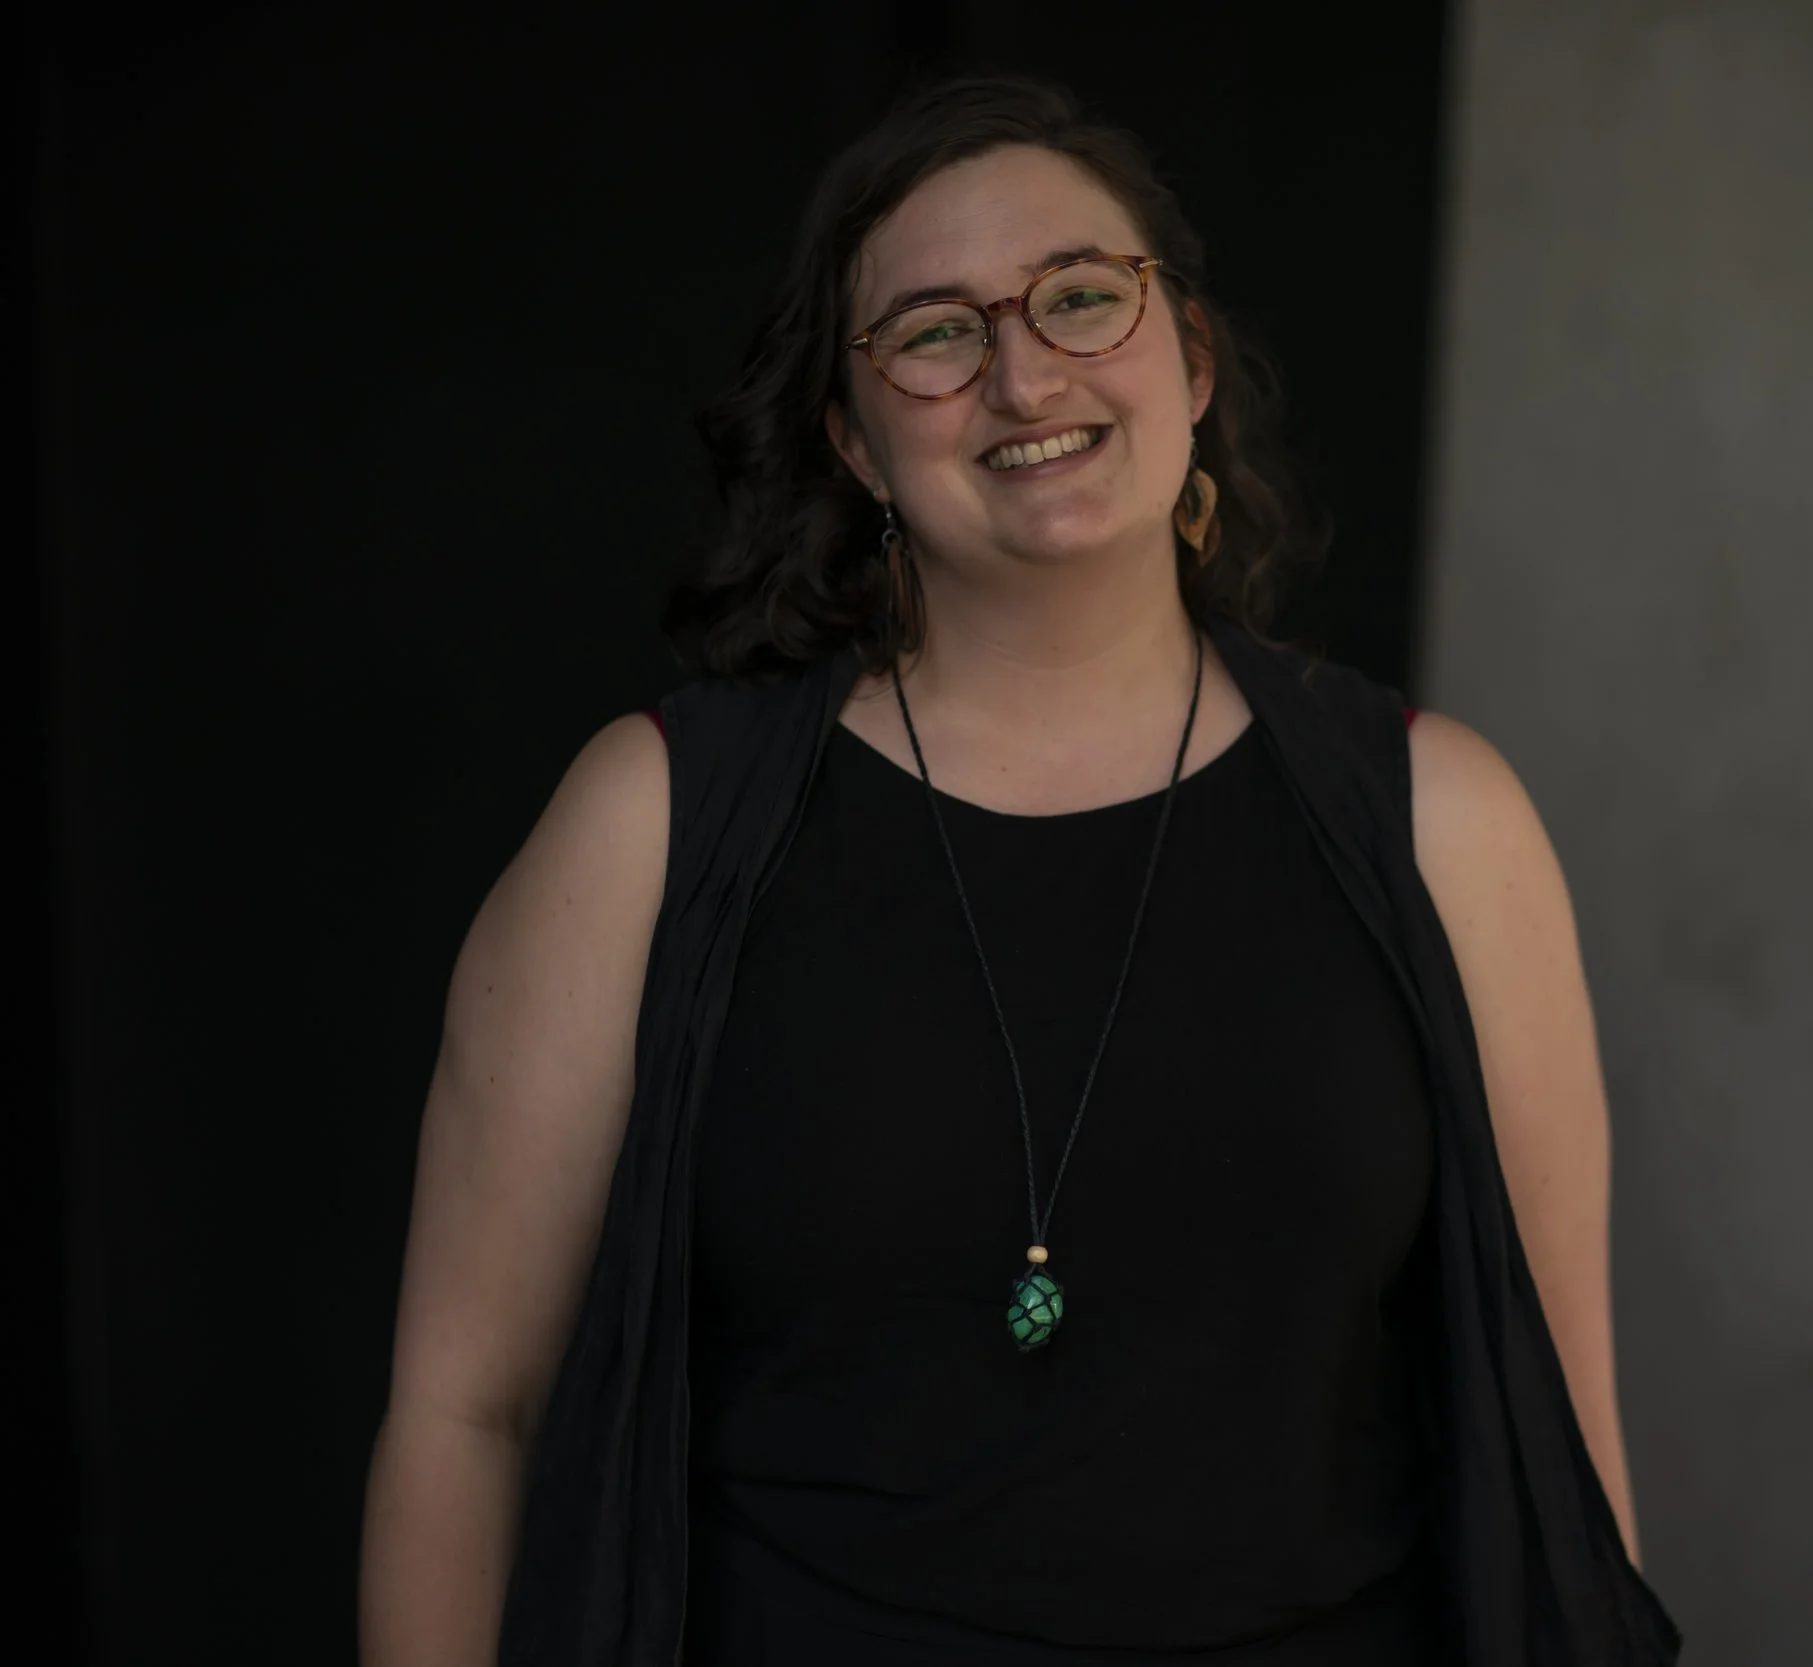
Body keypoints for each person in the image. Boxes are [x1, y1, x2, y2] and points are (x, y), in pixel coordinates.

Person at [360, 75, 1675, 1666]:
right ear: (852, 439)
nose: (1024, 371)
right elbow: (468, 1412)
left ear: (1190, 358)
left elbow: (1560, 1449)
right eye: (934, 333)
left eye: (1081, 296)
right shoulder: (651, 822)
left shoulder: (1441, 818)